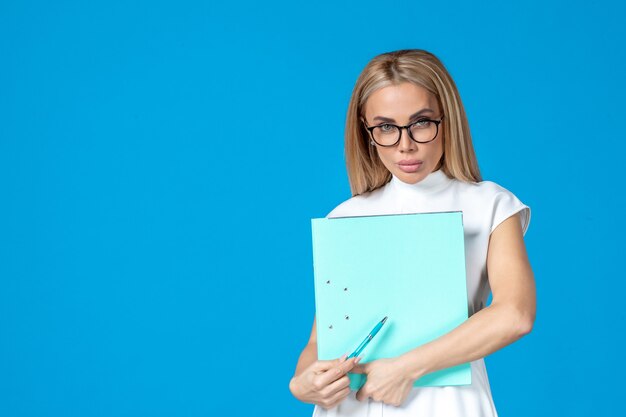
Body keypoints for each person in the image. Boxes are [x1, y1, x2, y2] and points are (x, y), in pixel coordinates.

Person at [288, 49, 536, 416]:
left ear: (447, 120)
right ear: (366, 131)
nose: (405, 145)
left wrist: (406, 368)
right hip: (354, 406)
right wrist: (303, 383)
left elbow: (514, 314)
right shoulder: (346, 217)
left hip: (449, 404)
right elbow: (322, 339)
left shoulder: (491, 205)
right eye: (386, 127)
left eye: (420, 122)